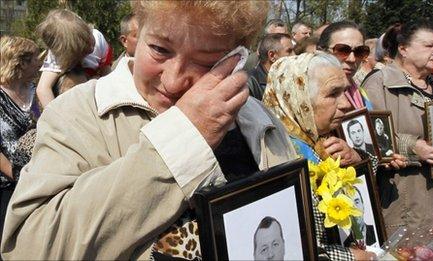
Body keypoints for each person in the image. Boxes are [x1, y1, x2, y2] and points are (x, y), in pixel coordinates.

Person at [1, 1, 298, 260]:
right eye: (159, 49)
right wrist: (184, 140)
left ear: (237, 57)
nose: (172, 80)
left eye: (205, 61)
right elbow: (31, 248)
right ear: (137, 32)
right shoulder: (77, 113)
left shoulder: (258, 118)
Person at [263, 52, 386, 260]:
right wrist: (350, 258)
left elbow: (365, 186)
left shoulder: (328, 134)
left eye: (345, 91)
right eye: (333, 94)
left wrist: (357, 158)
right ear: (298, 99)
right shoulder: (274, 158)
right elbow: (295, 248)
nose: (347, 103)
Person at [362, 21, 433, 235]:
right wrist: (414, 147)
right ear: (403, 49)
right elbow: (369, 139)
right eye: (428, 46)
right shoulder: (379, 84)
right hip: (405, 200)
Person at [0, 35, 41, 241]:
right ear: (21, 62)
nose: (39, 62)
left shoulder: (39, 91)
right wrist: (17, 176)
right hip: (7, 187)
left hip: (40, 181)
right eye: (35, 58)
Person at [36, 9, 112, 108]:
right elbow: (43, 89)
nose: (91, 49)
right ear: (66, 54)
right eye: (83, 50)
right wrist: (56, 117)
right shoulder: (56, 57)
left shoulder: (98, 38)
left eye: (90, 40)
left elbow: (107, 75)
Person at [318, 21, 372, 110]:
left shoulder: (362, 94)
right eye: (342, 50)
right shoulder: (307, 96)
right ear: (321, 52)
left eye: (359, 51)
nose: (352, 59)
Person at [247, 33, 294, 100]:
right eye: (289, 51)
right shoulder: (250, 83)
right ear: (272, 56)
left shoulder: (289, 78)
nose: (295, 56)